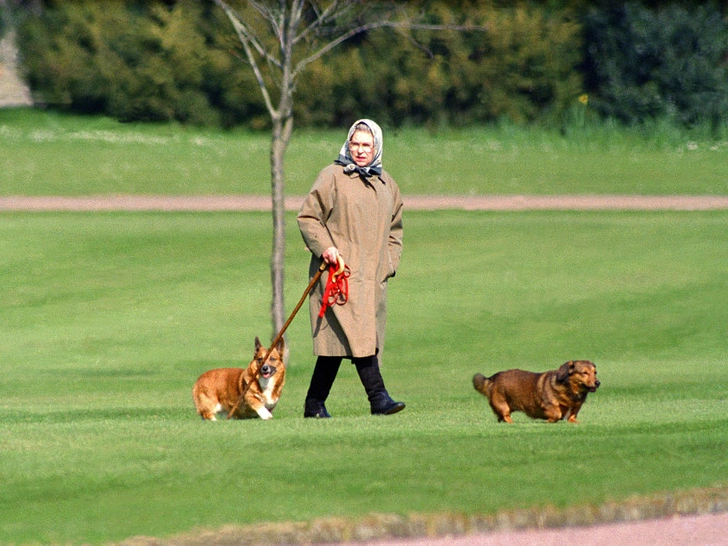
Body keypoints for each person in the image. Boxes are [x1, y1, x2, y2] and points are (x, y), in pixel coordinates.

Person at [297, 119, 405, 418]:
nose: (360, 150)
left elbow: (395, 230)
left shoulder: (387, 185)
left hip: (372, 279)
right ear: (348, 144)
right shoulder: (332, 176)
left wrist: (389, 264)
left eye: (366, 145)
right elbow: (308, 217)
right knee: (361, 337)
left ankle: (314, 404)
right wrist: (326, 248)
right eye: (355, 144)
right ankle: (378, 399)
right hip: (337, 276)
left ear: (376, 148)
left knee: (339, 344)